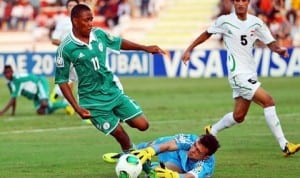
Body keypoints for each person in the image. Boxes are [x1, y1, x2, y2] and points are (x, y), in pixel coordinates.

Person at [182, 0, 300, 157]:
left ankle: (213, 129)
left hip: (250, 73)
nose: (240, 3)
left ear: (248, 2)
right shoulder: (225, 20)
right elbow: (207, 33)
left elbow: (270, 42)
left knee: (239, 116)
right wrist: (189, 49)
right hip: (237, 75)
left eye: (243, 0)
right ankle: (285, 145)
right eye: (237, 0)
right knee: (268, 101)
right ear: (233, 2)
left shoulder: (256, 23)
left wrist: (278, 50)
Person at [54, 4, 166, 152]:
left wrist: (144, 48)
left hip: (112, 91)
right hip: (92, 101)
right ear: (75, 21)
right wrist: (77, 108)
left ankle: (121, 120)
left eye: (91, 19)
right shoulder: (66, 48)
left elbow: (119, 43)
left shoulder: (99, 34)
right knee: (121, 136)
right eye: (86, 20)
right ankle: (142, 165)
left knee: (143, 125)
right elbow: (62, 81)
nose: (90, 23)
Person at [104, 133, 220, 178]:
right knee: (154, 145)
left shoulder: (206, 164)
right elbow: (168, 146)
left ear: (206, 157)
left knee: (155, 174)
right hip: (177, 154)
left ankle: (144, 165)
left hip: (181, 167)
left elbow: (190, 176)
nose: (192, 150)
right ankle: (127, 154)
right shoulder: (190, 141)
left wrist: (173, 176)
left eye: (198, 151)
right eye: (194, 145)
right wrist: (148, 151)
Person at [0, 65, 71, 116]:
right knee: (41, 112)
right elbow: (14, 98)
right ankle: (55, 104)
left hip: (40, 83)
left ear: (12, 72)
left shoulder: (17, 80)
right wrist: (13, 113)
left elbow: (13, 99)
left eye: (8, 72)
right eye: (5, 73)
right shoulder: (9, 84)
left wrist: (2, 112)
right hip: (35, 96)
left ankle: (66, 104)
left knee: (44, 104)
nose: (7, 75)